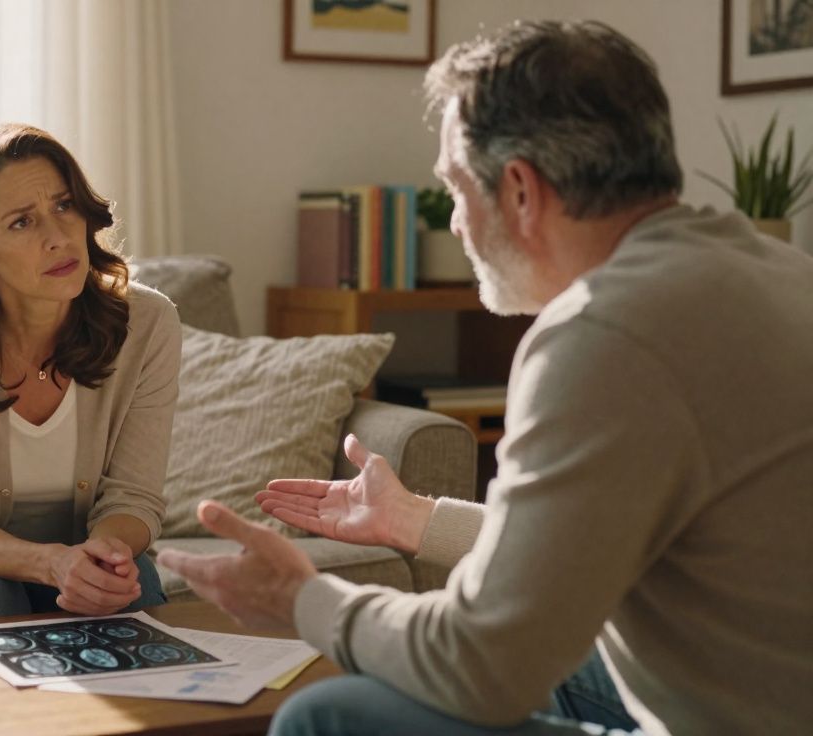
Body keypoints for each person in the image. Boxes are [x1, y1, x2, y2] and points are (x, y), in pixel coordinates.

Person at [157, 19, 813, 736]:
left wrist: (301, 600)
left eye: (455, 188)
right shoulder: (777, 269)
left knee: (330, 716)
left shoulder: (603, 336)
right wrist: (414, 520)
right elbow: (574, 550)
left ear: (522, 191)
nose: (460, 225)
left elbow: (482, 669)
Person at [0, 122, 180, 621]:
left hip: (72, 557)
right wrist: (51, 563)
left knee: (133, 581)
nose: (58, 237)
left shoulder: (147, 324)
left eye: (64, 206)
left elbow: (135, 497)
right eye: (22, 222)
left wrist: (97, 560)